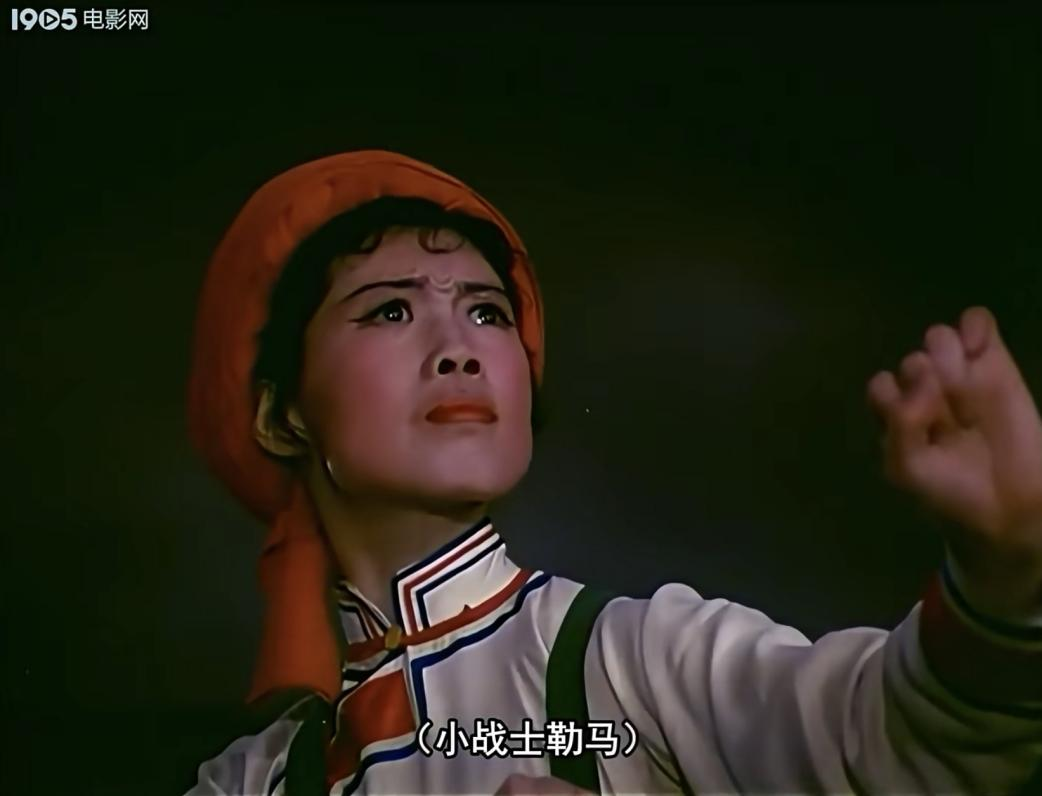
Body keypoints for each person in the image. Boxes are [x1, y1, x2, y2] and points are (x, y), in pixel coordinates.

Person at [184, 150, 1042, 795]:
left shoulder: (630, 657)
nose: (460, 349)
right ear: (280, 415)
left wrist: (1009, 573)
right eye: (391, 310)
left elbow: (895, 743)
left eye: (488, 312)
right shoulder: (250, 781)